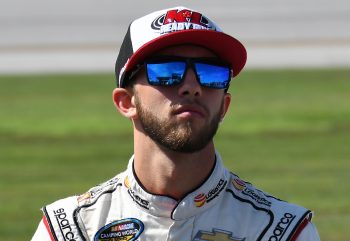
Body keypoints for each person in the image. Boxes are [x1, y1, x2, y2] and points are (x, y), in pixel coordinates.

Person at [31, 6, 321, 241]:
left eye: (211, 73)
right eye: (167, 71)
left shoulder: (282, 230)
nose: (192, 86)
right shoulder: (70, 229)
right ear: (126, 102)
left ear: (224, 105)